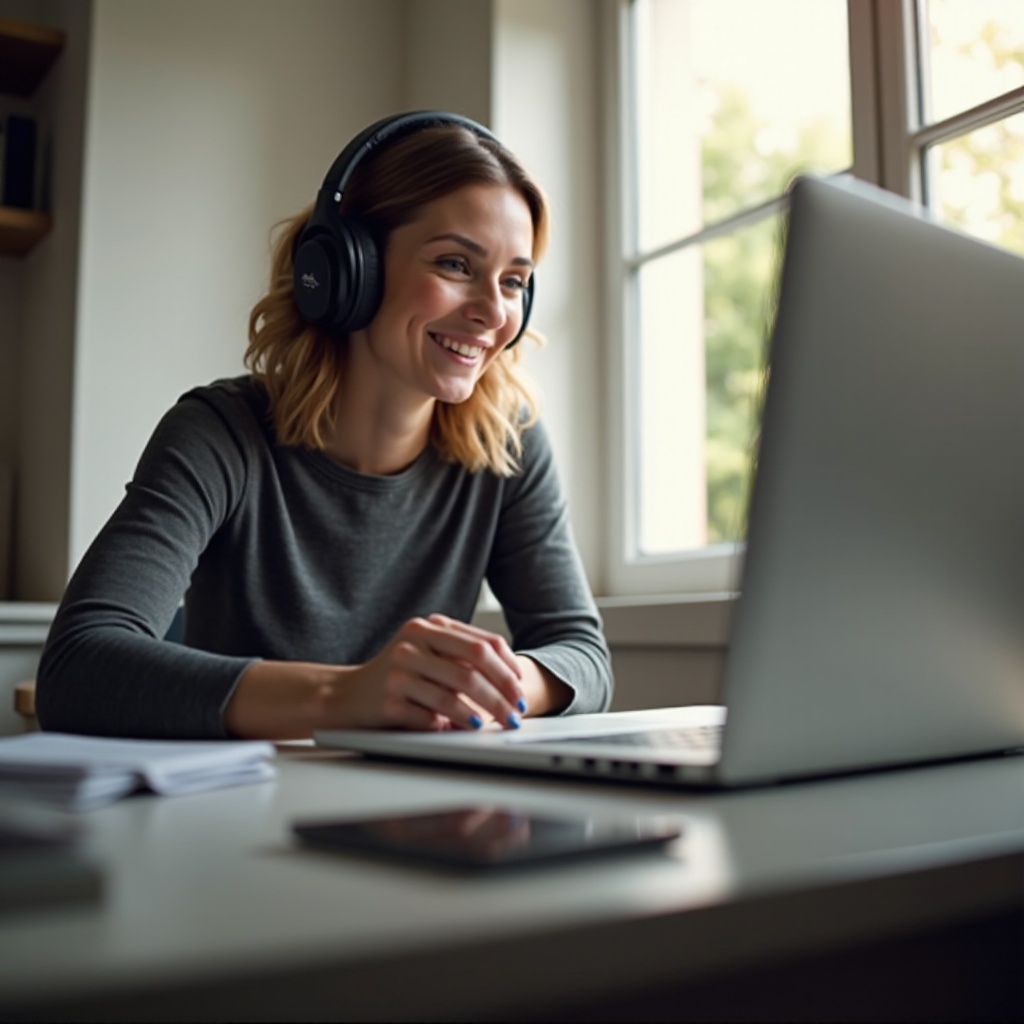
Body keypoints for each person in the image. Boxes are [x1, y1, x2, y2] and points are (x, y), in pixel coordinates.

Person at [35, 111, 612, 741]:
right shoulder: (220, 434)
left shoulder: (509, 443)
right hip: (238, 808)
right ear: (346, 269)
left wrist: (484, 683)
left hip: (421, 804)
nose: (492, 312)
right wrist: (349, 694)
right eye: (454, 265)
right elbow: (77, 667)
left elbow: (582, 656)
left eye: (513, 282)